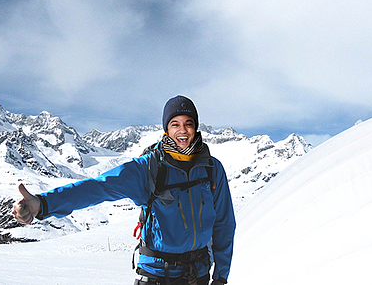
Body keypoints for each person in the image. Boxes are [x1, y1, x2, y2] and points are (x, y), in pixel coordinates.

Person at [12, 95, 234, 285]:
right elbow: (98, 187)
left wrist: (221, 276)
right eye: (175, 124)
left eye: (188, 123)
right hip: (157, 275)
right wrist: (43, 204)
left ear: (196, 127)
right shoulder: (148, 168)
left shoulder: (212, 169)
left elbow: (224, 223)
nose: (182, 130)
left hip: (198, 274)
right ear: (166, 129)